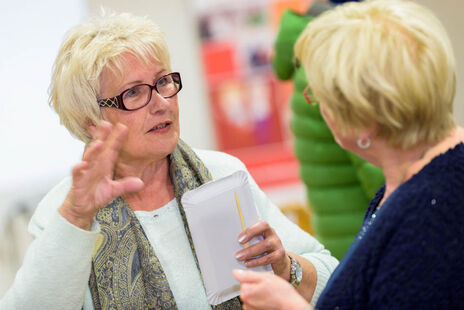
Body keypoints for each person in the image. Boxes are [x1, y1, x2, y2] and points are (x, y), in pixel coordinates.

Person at [0, 12, 338, 310]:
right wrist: (76, 216)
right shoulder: (64, 212)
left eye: (163, 81)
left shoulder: (221, 174)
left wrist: (286, 269)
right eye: (133, 92)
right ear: (92, 121)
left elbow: (330, 276)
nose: (161, 102)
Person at [234, 0, 464, 309]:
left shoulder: (432, 211)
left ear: (365, 118)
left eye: (320, 96)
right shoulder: (408, 182)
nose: (318, 106)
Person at [273, 0, 384, 260]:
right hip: (365, 229)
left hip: (334, 228)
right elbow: (375, 167)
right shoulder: (335, 68)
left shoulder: (306, 65)